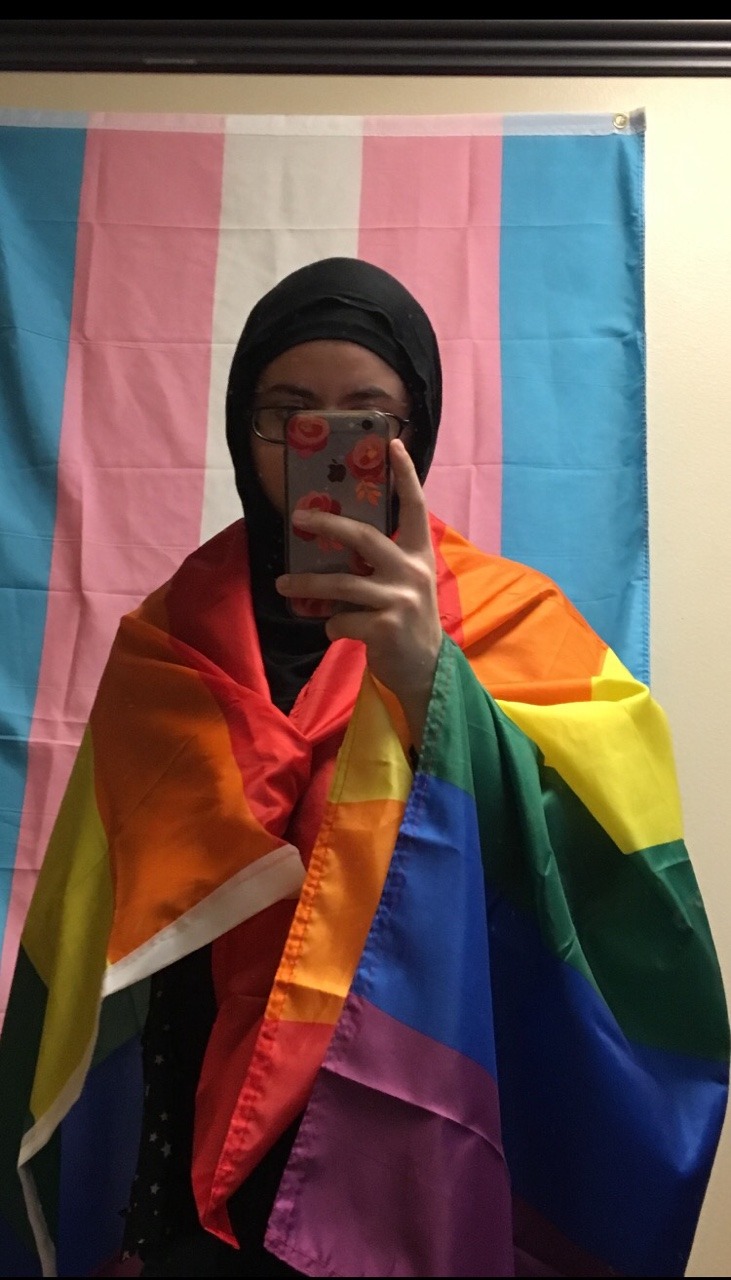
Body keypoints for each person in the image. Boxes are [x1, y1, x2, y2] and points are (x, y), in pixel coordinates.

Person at [0, 257, 728, 1280]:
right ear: (241, 428)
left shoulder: (512, 622)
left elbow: (622, 894)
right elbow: (102, 928)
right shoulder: (167, 643)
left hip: (409, 1157)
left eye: (365, 418)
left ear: (413, 435)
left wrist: (433, 682)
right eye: (287, 412)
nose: (324, 442)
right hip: (189, 1181)